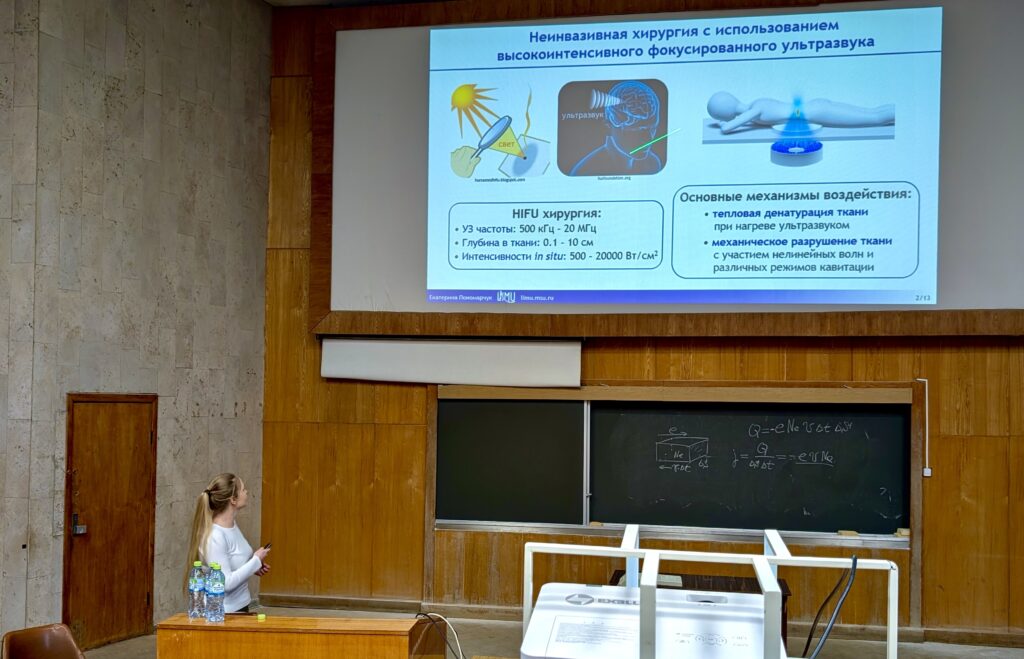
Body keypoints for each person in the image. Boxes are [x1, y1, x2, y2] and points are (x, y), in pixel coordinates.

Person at [185, 473, 270, 613]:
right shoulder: (214, 536)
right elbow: (225, 583)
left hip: (242, 606)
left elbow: (233, 563)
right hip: (223, 613)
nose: (247, 492)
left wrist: (253, 566)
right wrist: (255, 561)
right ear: (233, 500)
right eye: (243, 489)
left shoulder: (232, 525)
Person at [570, 81, 664, 176]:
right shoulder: (585, 172)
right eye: (637, 130)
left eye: (653, 128)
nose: (649, 139)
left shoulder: (652, 165)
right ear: (607, 127)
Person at [707, 91, 895, 134]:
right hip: (815, 107)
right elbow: (748, 121)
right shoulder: (756, 104)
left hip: (817, 112)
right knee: (872, 113)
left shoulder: (755, 109)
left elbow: (728, 129)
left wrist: (724, 125)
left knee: (875, 118)